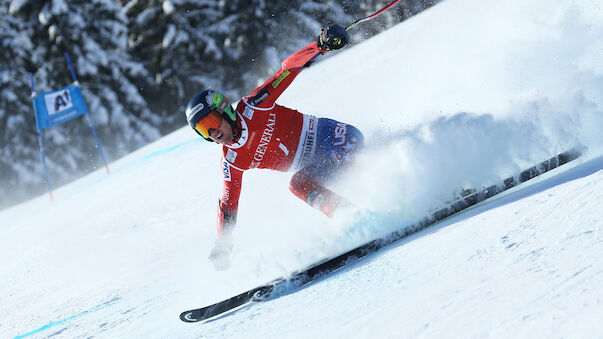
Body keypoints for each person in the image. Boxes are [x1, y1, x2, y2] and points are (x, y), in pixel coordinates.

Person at [185, 25, 364, 270]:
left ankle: (360, 212)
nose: (214, 133)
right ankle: (353, 217)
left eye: (212, 122)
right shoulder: (232, 160)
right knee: (298, 185)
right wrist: (223, 245)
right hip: (320, 165)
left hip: (340, 141)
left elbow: (287, 70)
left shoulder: (254, 107)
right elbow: (228, 205)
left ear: (223, 110)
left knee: (302, 182)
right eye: (204, 130)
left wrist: (320, 45)